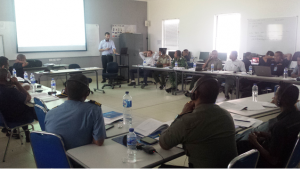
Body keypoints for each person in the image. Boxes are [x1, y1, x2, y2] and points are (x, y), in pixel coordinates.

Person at [159, 76, 237, 169]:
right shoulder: (226, 115)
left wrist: (182, 114)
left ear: (195, 94)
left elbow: (164, 143)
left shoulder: (188, 120)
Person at [236, 82, 300, 169]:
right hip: (287, 158)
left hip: (271, 164)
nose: (274, 97)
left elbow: (273, 160)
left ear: (280, 99)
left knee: (241, 144)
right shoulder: (297, 116)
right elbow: (286, 137)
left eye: (276, 94)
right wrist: (266, 134)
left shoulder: (279, 126)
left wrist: (255, 143)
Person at [45, 74, 106, 150]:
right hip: (79, 158)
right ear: (87, 93)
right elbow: (99, 142)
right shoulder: (94, 109)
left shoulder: (50, 113)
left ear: (66, 91)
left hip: (55, 158)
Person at [0, 68, 36, 142]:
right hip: (14, 119)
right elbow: (28, 97)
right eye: (9, 77)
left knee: (21, 106)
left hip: (3, 119)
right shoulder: (11, 91)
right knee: (37, 109)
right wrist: (17, 84)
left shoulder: (6, 89)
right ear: (6, 78)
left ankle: (26, 131)